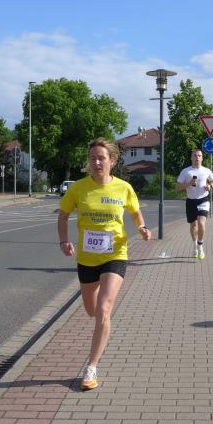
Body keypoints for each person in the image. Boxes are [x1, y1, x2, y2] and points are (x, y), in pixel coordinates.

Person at [58, 138, 151, 390]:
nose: (96, 162)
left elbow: (135, 212)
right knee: (91, 310)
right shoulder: (78, 188)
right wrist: (64, 241)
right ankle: (102, 326)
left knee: (103, 308)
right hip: (87, 259)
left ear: (112, 160)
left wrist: (142, 227)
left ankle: (91, 367)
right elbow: (63, 215)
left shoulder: (124, 188)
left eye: (101, 158)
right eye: (92, 158)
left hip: (115, 254)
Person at [176, 149, 213, 259]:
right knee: (193, 225)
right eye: (195, 156)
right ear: (191, 158)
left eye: (199, 156)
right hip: (190, 201)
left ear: (202, 158)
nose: (197, 158)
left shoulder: (206, 170)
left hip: (203, 200)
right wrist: (189, 184)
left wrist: (210, 186)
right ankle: (194, 245)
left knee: (201, 223)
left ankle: (200, 245)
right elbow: (178, 187)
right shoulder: (186, 171)